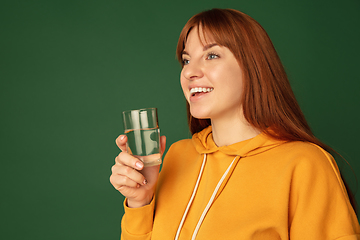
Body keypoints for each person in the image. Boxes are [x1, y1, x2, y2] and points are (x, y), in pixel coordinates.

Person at [110, 8, 360, 240]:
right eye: (186, 60)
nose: (189, 72)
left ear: (252, 67)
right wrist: (140, 201)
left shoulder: (305, 165)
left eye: (212, 55)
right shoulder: (176, 157)